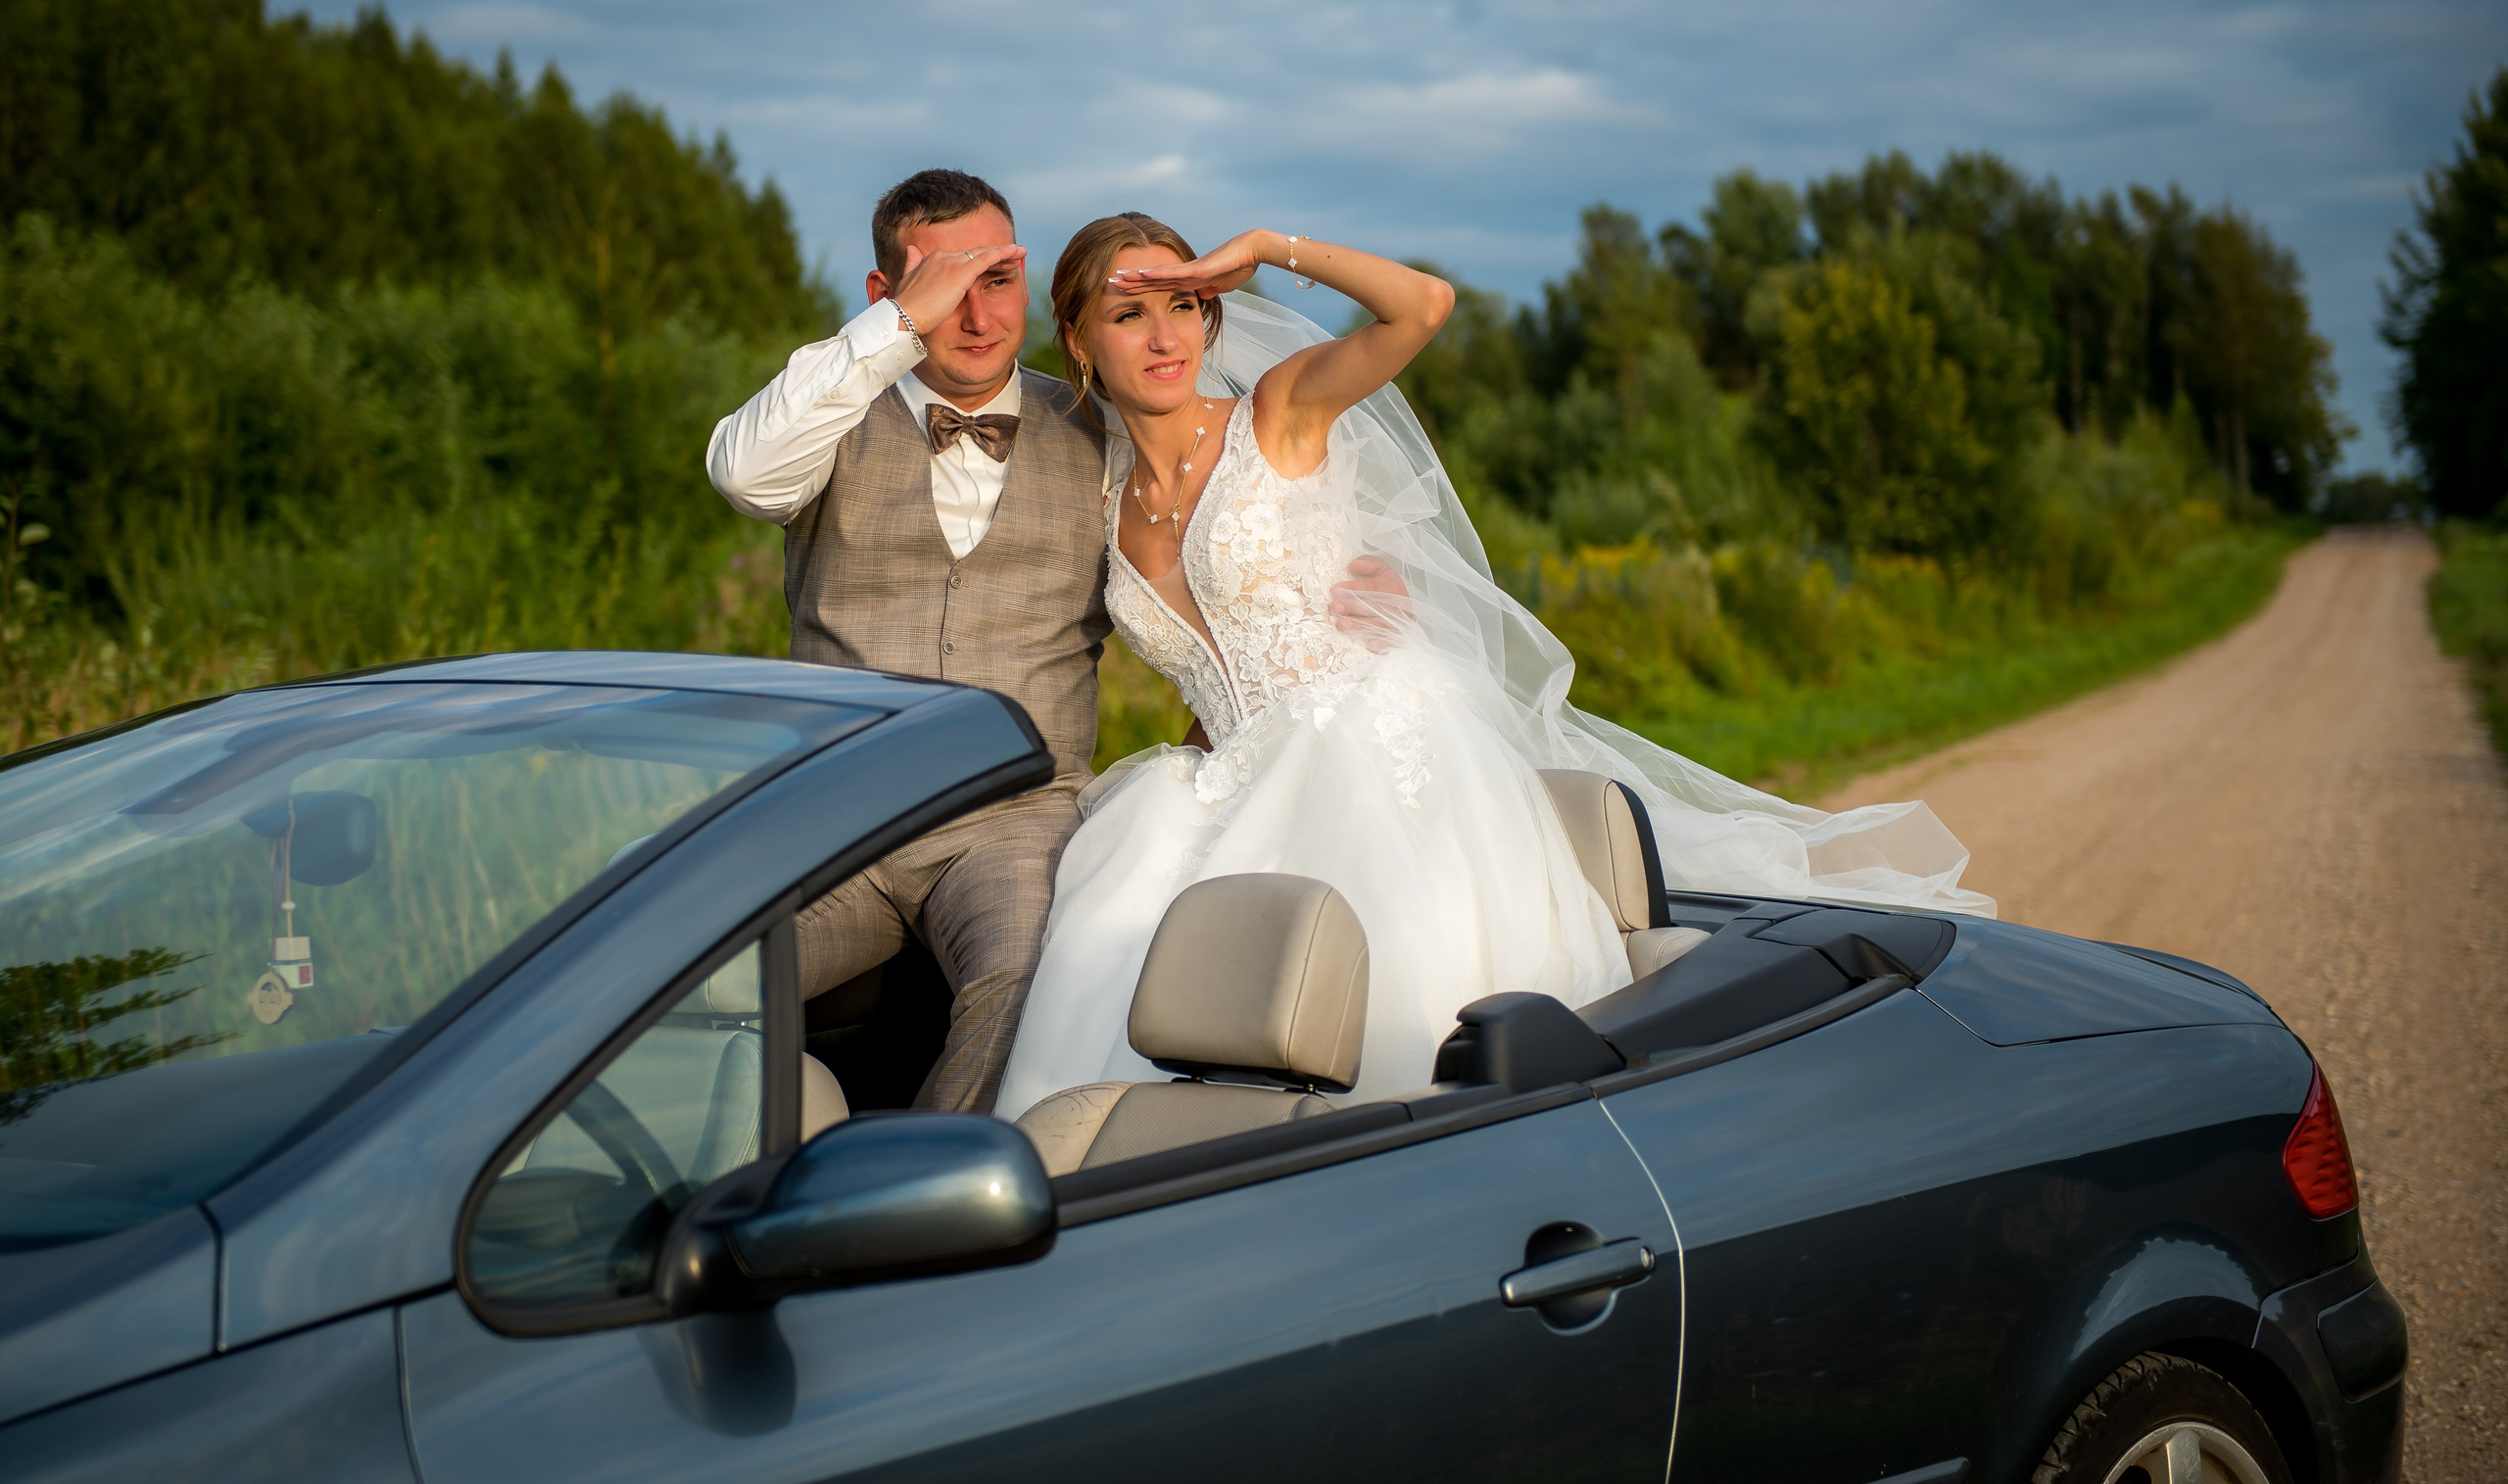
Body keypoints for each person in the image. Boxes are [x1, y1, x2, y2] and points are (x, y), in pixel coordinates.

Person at [993, 215, 1992, 1119]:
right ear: (1080, 341)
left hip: (1366, 746)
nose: (1164, 337)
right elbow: (1211, 662)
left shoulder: (1278, 410)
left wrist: (1265, 249)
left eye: (1184, 305)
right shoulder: (1099, 490)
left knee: (1396, 999)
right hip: (1226, 776)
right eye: (1129, 314)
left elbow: (1422, 306)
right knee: (1110, 938)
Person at [705, 171, 1390, 1113]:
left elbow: (1225, 533)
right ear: (890, 297)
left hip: (1014, 817)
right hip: (843, 815)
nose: (978, 315)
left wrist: (1342, 586)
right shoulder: (828, 418)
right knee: (680, 962)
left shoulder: (1101, 429)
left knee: (1038, 966)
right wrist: (893, 333)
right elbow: (742, 473)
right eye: (948, 285)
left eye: (998, 279)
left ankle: (928, 1206)